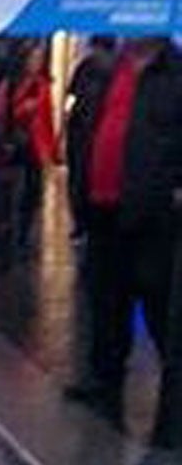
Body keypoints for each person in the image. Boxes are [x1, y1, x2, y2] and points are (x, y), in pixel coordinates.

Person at [63, 36, 182, 431]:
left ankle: (172, 405)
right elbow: (85, 128)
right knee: (105, 303)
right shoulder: (107, 71)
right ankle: (104, 383)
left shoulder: (173, 76)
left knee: (160, 305)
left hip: (153, 216)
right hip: (102, 209)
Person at [0, 43, 61, 244]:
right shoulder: (11, 84)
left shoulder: (43, 86)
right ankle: (7, 226)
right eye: (33, 58)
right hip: (14, 142)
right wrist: (24, 109)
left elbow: (47, 118)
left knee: (32, 190)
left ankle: (23, 230)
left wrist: (51, 150)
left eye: (39, 59)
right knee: (10, 187)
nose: (36, 63)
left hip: (35, 144)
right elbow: (1, 113)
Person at [64, 36, 117, 240]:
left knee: (79, 180)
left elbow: (72, 98)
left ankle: (83, 223)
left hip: (83, 134)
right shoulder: (116, 70)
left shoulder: (86, 68)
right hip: (91, 133)